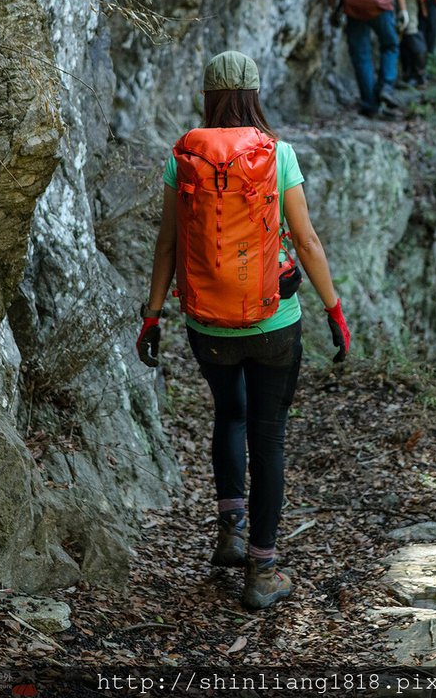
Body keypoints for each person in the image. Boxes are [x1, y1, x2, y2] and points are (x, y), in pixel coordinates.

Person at [136, 51, 351, 611]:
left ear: (207, 97)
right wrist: (334, 309)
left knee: (228, 413)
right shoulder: (278, 155)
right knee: (269, 433)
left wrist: (153, 313)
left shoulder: (183, 158)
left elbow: (167, 244)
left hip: (206, 323)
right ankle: (262, 570)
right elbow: (306, 243)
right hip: (273, 321)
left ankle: (230, 532)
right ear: (255, 94)